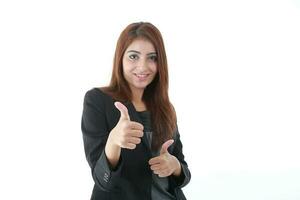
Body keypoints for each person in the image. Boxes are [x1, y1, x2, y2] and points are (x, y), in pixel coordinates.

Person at [81, 22, 191, 200]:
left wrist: (175, 166)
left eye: (152, 57)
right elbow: (103, 180)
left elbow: (183, 173)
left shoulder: (166, 108)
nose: (143, 66)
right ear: (120, 58)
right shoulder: (98, 100)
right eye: (133, 56)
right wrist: (113, 142)